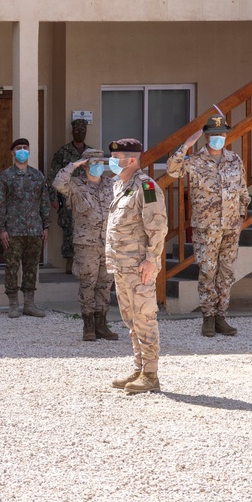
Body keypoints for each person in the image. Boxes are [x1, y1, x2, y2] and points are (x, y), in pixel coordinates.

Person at [167, 113, 250, 337]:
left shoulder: (234, 159)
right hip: (206, 227)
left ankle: (221, 317)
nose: (219, 137)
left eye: (222, 134)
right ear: (206, 136)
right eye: (214, 134)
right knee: (207, 272)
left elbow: (243, 190)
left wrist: (241, 216)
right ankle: (208, 318)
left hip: (231, 226)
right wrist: (185, 146)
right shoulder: (194, 161)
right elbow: (172, 170)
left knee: (226, 273)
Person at [105, 138, 167, 394]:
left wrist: (151, 260)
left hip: (139, 266)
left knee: (145, 319)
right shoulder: (119, 185)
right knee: (131, 320)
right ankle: (139, 368)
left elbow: (157, 226)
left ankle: (151, 374)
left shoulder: (147, 186)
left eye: (117, 157)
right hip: (121, 265)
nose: (112, 161)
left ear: (132, 160)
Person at [52, 147, 118, 342]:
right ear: (85, 165)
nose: (99, 166)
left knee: (105, 283)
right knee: (87, 283)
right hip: (86, 244)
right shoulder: (75, 185)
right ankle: (88, 325)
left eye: (101, 163)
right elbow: (57, 183)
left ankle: (102, 324)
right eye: (94, 163)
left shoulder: (110, 184)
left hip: (107, 243)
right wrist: (73, 166)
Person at [0, 137, 50, 318]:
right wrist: (1, 228)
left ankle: (29, 303)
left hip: (34, 229)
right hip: (13, 230)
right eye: (19, 148)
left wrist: (46, 226)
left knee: (31, 267)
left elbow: (44, 202)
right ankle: (13, 304)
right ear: (12, 153)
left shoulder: (38, 176)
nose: (23, 150)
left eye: (26, 147)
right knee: (12, 267)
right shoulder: (5, 177)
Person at [49, 118, 91, 273]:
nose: (80, 134)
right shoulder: (63, 152)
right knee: (68, 230)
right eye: (78, 131)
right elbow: (53, 175)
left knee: (86, 228)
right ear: (72, 132)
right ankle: (70, 261)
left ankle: (84, 262)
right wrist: (53, 197)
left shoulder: (90, 153)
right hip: (67, 197)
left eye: (83, 131)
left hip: (88, 198)